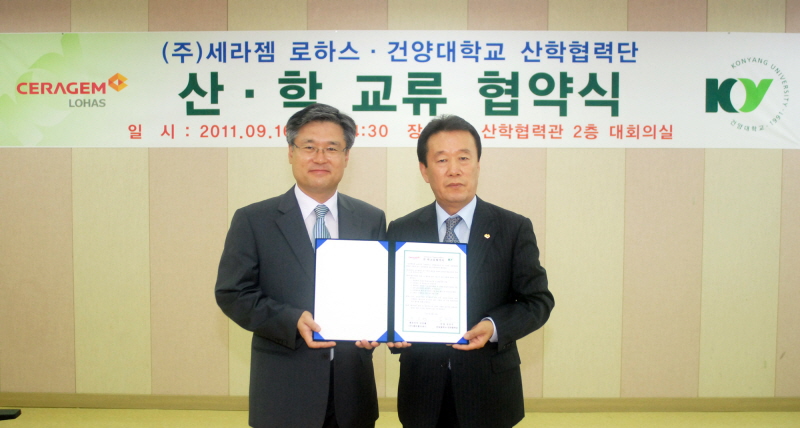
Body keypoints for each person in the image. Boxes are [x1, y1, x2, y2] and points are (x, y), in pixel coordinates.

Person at [215, 103, 385, 428]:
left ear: (346, 157)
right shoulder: (254, 220)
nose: (320, 158)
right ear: (290, 152)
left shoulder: (370, 219)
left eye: (332, 148)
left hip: (352, 393)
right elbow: (233, 294)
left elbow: (380, 291)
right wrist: (290, 320)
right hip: (284, 391)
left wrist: (380, 325)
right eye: (309, 147)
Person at [387, 115, 554, 428]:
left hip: (490, 390)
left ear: (478, 164)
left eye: (463, 158)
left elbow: (537, 302)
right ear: (424, 170)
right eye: (441, 160)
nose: (454, 170)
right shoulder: (401, 229)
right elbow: (388, 299)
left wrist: (493, 326)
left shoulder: (513, 228)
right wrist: (390, 329)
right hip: (422, 390)